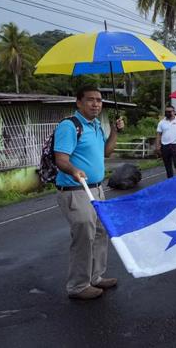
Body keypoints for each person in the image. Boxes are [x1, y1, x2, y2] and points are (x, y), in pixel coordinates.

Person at [54, 86, 124, 300]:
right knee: (84, 237)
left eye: (99, 100)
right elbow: (61, 159)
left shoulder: (95, 126)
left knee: (101, 234)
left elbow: (106, 152)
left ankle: (96, 276)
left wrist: (114, 131)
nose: (96, 104)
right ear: (79, 102)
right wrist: (74, 170)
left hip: (96, 189)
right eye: (91, 100)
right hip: (76, 190)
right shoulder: (69, 126)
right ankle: (77, 286)